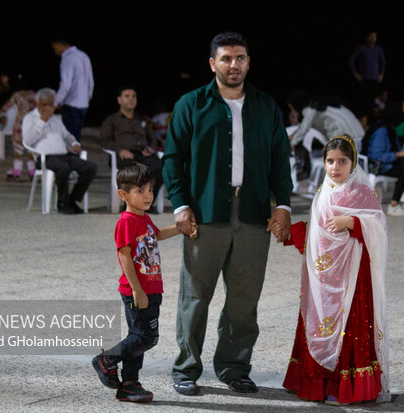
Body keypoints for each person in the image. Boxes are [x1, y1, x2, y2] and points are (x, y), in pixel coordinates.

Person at [162, 31, 293, 396]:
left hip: (253, 213)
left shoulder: (266, 107)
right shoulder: (192, 104)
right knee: (195, 295)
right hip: (205, 213)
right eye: (226, 59)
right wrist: (181, 205)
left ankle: (234, 368)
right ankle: (186, 368)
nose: (233, 65)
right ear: (212, 64)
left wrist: (282, 205)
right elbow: (173, 158)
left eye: (239, 58)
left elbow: (281, 160)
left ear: (248, 62)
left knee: (244, 299)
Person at [280, 135, 389, 405]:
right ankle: (319, 384)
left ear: (352, 164)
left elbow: (379, 226)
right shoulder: (323, 193)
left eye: (342, 161)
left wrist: (352, 221)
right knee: (318, 319)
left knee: (349, 327)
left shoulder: (362, 192)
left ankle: (345, 388)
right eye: (330, 161)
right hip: (323, 278)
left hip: (352, 276)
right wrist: (290, 233)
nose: (335, 167)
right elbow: (317, 235)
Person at [91, 162, 196, 403]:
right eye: (140, 191)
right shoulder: (127, 221)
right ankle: (105, 360)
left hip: (151, 289)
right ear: (123, 194)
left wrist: (181, 229)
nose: (147, 195)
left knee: (138, 337)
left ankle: (129, 384)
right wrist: (137, 290)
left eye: (150, 189)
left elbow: (156, 235)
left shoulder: (143, 218)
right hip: (137, 291)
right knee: (146, 338)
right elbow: (124, 256)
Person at [22, 88, 97, 214]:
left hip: (64, 155)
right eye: (44, 105)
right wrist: (42, 121)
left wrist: (74, 143)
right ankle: (62, 203)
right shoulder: (30, 118)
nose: (47, 108)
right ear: (37, 104)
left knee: (90, 167)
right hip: (45, 158)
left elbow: (67, 135)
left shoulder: (56, 119)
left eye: (50, 104)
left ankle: (72, 199)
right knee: (63, 168)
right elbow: (27, 141)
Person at [101, 87, 163, 212]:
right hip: (123, 155)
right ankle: (130, 206)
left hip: (143, 154)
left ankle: (146, 204)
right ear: (119, 100)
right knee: (133, 172)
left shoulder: (143, 119)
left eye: (133, 96)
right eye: (127, 96)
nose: (131, 99)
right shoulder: (112, 120)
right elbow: (105, 141)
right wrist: (120, 150)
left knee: (161, 168)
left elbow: (152, 138)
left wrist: (151, 149)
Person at [362, 105, 404, 216]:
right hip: (376, 166)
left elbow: (396, 147)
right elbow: (377, 155)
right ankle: (400, 198)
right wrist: (397, 154)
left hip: (386, 163)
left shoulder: (389, 129)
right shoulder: (382, 131)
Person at [51, 34, 94, 143]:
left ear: (59, 45)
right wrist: (87, 98)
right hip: (83, 104)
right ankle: (76, 159)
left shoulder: (68, 59)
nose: (55, 51)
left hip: (71, 105)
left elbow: (66, 84)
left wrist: (56, 102)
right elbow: (90, 82)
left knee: (70, 138)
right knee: (77, 137)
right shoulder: (84, 56)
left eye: (54, 48)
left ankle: (72, 160)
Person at [0, 88, 37, 181]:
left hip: (20, 124)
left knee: (18, 148)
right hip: (32, 125)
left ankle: (17, 171)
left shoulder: (17, 95)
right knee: (30, 148)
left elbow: (5, 108)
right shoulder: (35, 95)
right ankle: (32, 170)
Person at [349, 31, 386, 115]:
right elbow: (351, 60)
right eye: (371, 36)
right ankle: (361, 118)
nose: (373, 39)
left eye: (375, 37)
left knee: (372, 101)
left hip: (374, 79)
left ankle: (370, 120)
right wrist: (355, 73)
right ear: (367, 37)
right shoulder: (362, 48)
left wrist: (381, 74)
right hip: (364, 78)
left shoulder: (378, 49)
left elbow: (383, 62)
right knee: (362, 101)